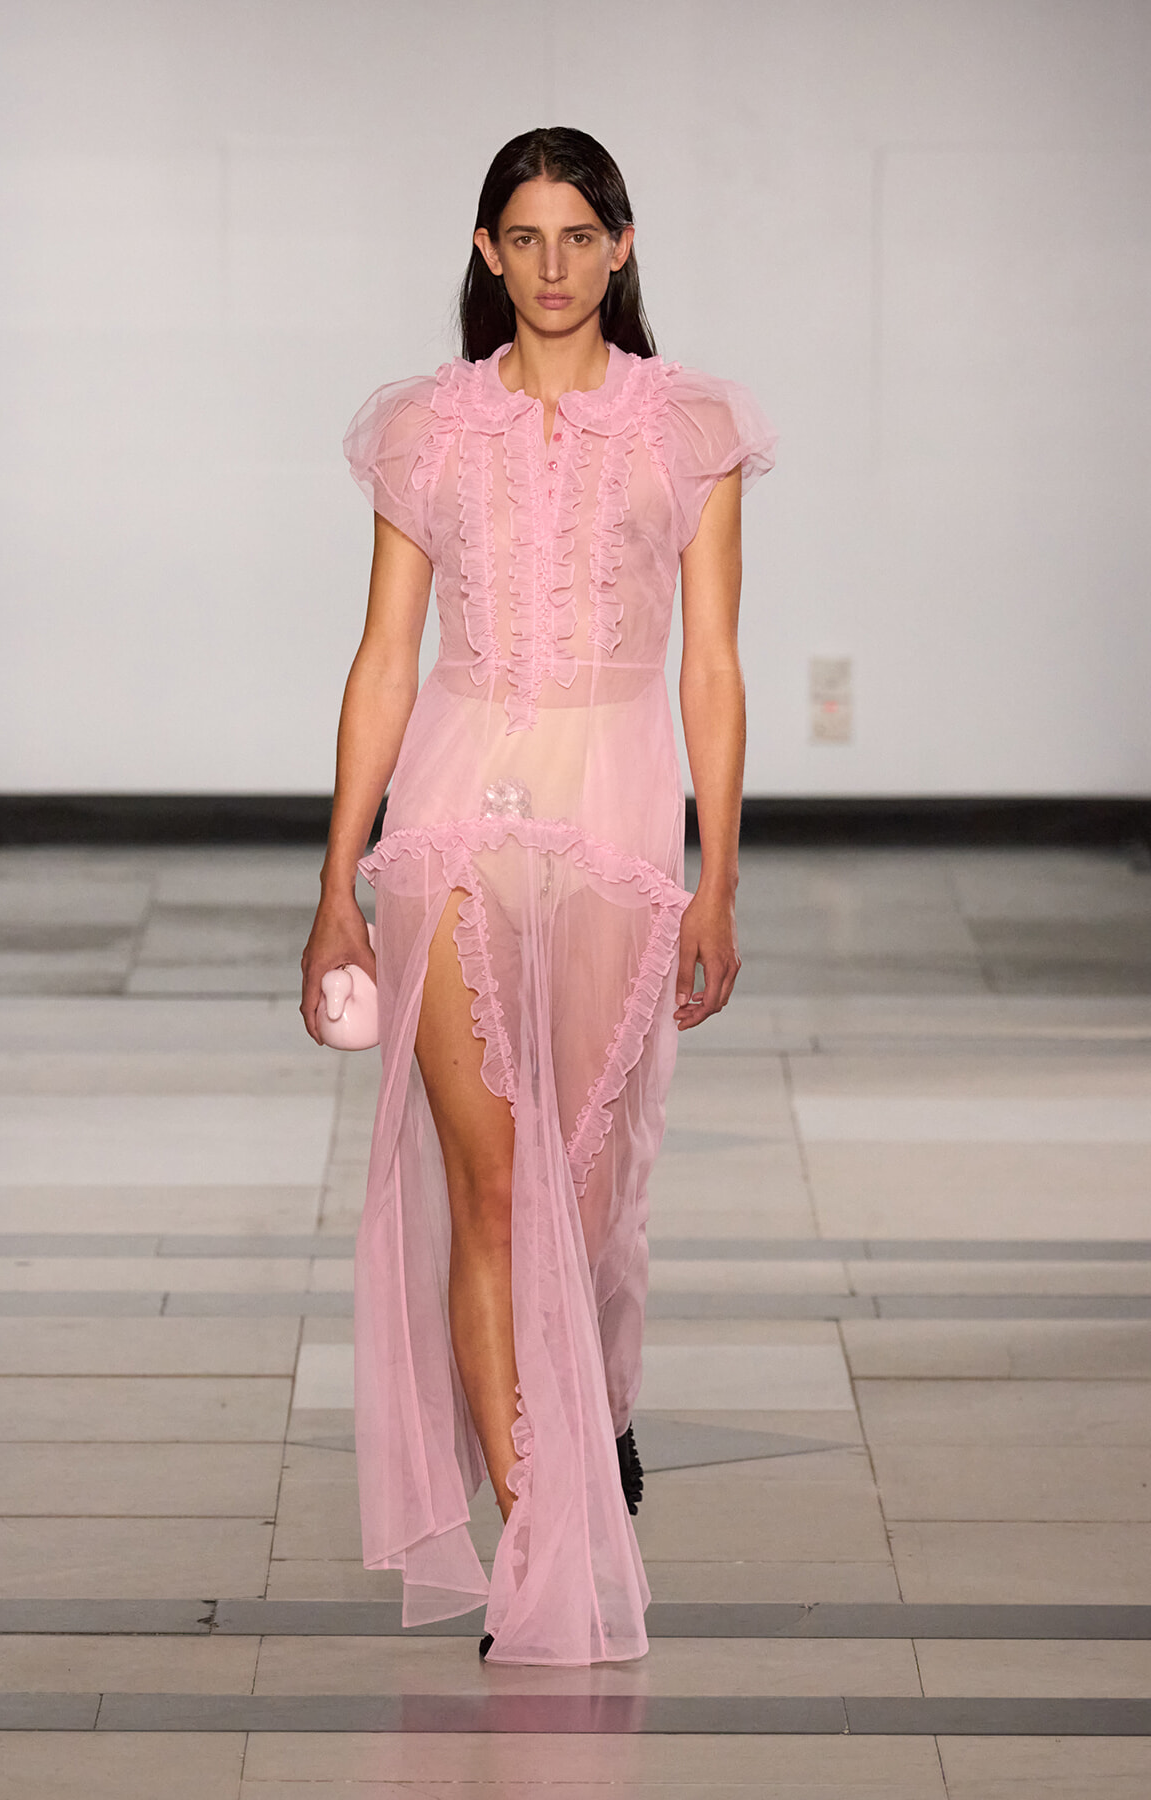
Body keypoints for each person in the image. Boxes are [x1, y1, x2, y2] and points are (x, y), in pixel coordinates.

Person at [300, 126, 776, 1667]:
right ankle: (537, 1540)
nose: (556, 262)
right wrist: (334, 883)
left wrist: (717, 877)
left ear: (622, 248)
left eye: (582, 233)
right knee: (491, 1187)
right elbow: (385, 658)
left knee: (582, 1182)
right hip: (451, 809)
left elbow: (711, 661)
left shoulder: (684, 428)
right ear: (489, 253)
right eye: (527, 234)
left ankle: (591, 1440)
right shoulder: (429, 431)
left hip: (620, 815)